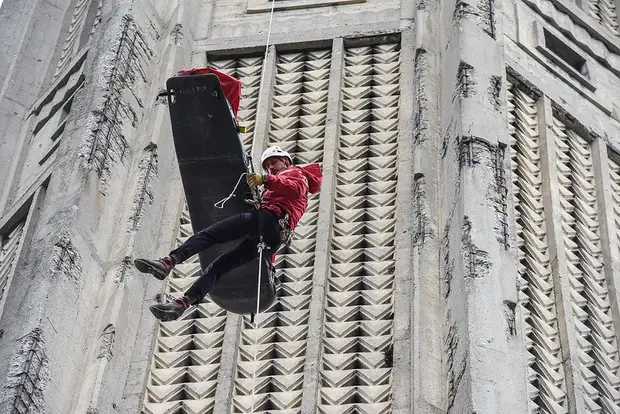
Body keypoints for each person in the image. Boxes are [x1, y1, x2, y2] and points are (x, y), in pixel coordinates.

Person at [134, 146, 322, 321]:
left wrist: (265, 180)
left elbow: (294, 189)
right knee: (219, 267)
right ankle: (183, 303)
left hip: (267, 220)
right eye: (267, 166)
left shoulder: (295, 173)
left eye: (273, 162)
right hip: (271, 237)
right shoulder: (284, 181)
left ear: (286, 161)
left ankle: (168, 262)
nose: (270, 167)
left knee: (210, 235)